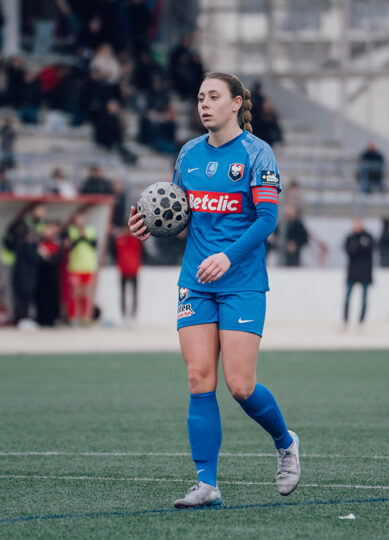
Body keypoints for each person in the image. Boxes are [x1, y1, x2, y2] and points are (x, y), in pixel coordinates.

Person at [128, 72, 300, 509]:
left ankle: (285, 442)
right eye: (200, 96)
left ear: (237, 103)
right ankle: (206, 483)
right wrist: (148, 224)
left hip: (241, 282)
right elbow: (178, 209)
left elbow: (267, 219)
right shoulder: (188, 153)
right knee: (198, 378)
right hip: (196, 283)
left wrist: (227, 255)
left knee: (240, 385)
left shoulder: (258, 154)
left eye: (214, 96)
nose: (204, 104)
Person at [66, 211, 98, 325]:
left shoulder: (90, 230)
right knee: (75, 293)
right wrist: (80, 236)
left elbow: (94, 244)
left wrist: (84, 236)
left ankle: (84, 317)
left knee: (85, 294)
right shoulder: (71, 231)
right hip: (75, 267)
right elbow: (71, 245)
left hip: (88, 266)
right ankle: (73, 317)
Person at [343, 218, 374, 326]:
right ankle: (345, 319)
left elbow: (369, 250)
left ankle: (361, 320)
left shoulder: (368, 236)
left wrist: (357, 248)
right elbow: (349, 250)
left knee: (364, 298)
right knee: (347, 297)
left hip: (365, 272)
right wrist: (359, 247)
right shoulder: (350, 237)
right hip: (352, 272)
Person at [114, 226, 142, 325]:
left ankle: (133, 315)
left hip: (134, 270)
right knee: (123, 294)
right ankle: (124, 315)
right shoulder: (120, 240)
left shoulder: (135, 240)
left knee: (134, 294)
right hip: (123, 270)